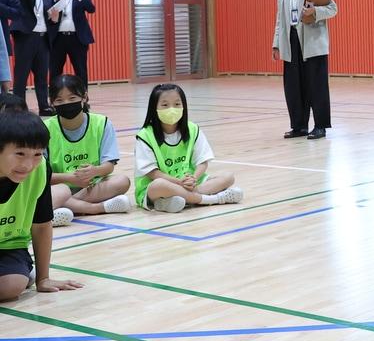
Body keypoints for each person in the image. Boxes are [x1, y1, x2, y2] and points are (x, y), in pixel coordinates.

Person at [0, 103, 83, 303]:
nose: (28, 165)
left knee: (11, 287)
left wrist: (43, 278)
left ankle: (21, 272)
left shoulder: (39, 171)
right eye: (20, 154)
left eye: (37, 154)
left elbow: (42, 225)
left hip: (9, 245)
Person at [133, 84, 241, 212]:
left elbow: (202, 161)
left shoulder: (193, 129)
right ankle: (210, 199)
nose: (172, 109)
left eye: (177, 104)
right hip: (159, 185)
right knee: (159, 185)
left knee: (228, 176)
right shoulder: (145, 135)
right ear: (154, 108)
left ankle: (170, 202)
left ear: (183, 106)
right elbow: (153, 173)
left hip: (190, 183)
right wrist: (178, 182)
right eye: (165, 105)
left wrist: (194, 178)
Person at [45, 75, 133, 227]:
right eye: (59, 100)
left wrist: (94, 171)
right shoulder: (45, 129)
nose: (66, 103)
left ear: (84, 97)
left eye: (72, 98)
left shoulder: (101, 123)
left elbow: (109, 166)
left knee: (122, 181)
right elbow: (41, 175)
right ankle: (96, 208)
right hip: (58, 188)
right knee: (58, 191)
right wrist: (71, 178)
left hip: (91, 188)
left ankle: (62, 207)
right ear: (51, 102)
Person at [272, 0, 337, 141]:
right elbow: (279, 18)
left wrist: (314, 13)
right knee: (293, 86)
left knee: (316, 85)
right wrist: (276, 43)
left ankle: (319, 126)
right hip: (290, 40)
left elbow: (333, 9)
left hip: (312, 41)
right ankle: (299, 126)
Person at [11, 0, 54, 115]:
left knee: (42, 76)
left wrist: (53, 18)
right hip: (26, 37)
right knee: (21, 74)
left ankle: (44, 106)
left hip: (42, 39)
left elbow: (47, 19)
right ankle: (18, 108)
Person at [45, 0, 96, 89]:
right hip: (57, 39)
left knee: (81, 71)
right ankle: (54, 101)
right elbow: (46, 14)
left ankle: (84, 100)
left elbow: (91, 9)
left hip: (77, 39)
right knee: (55, 71)